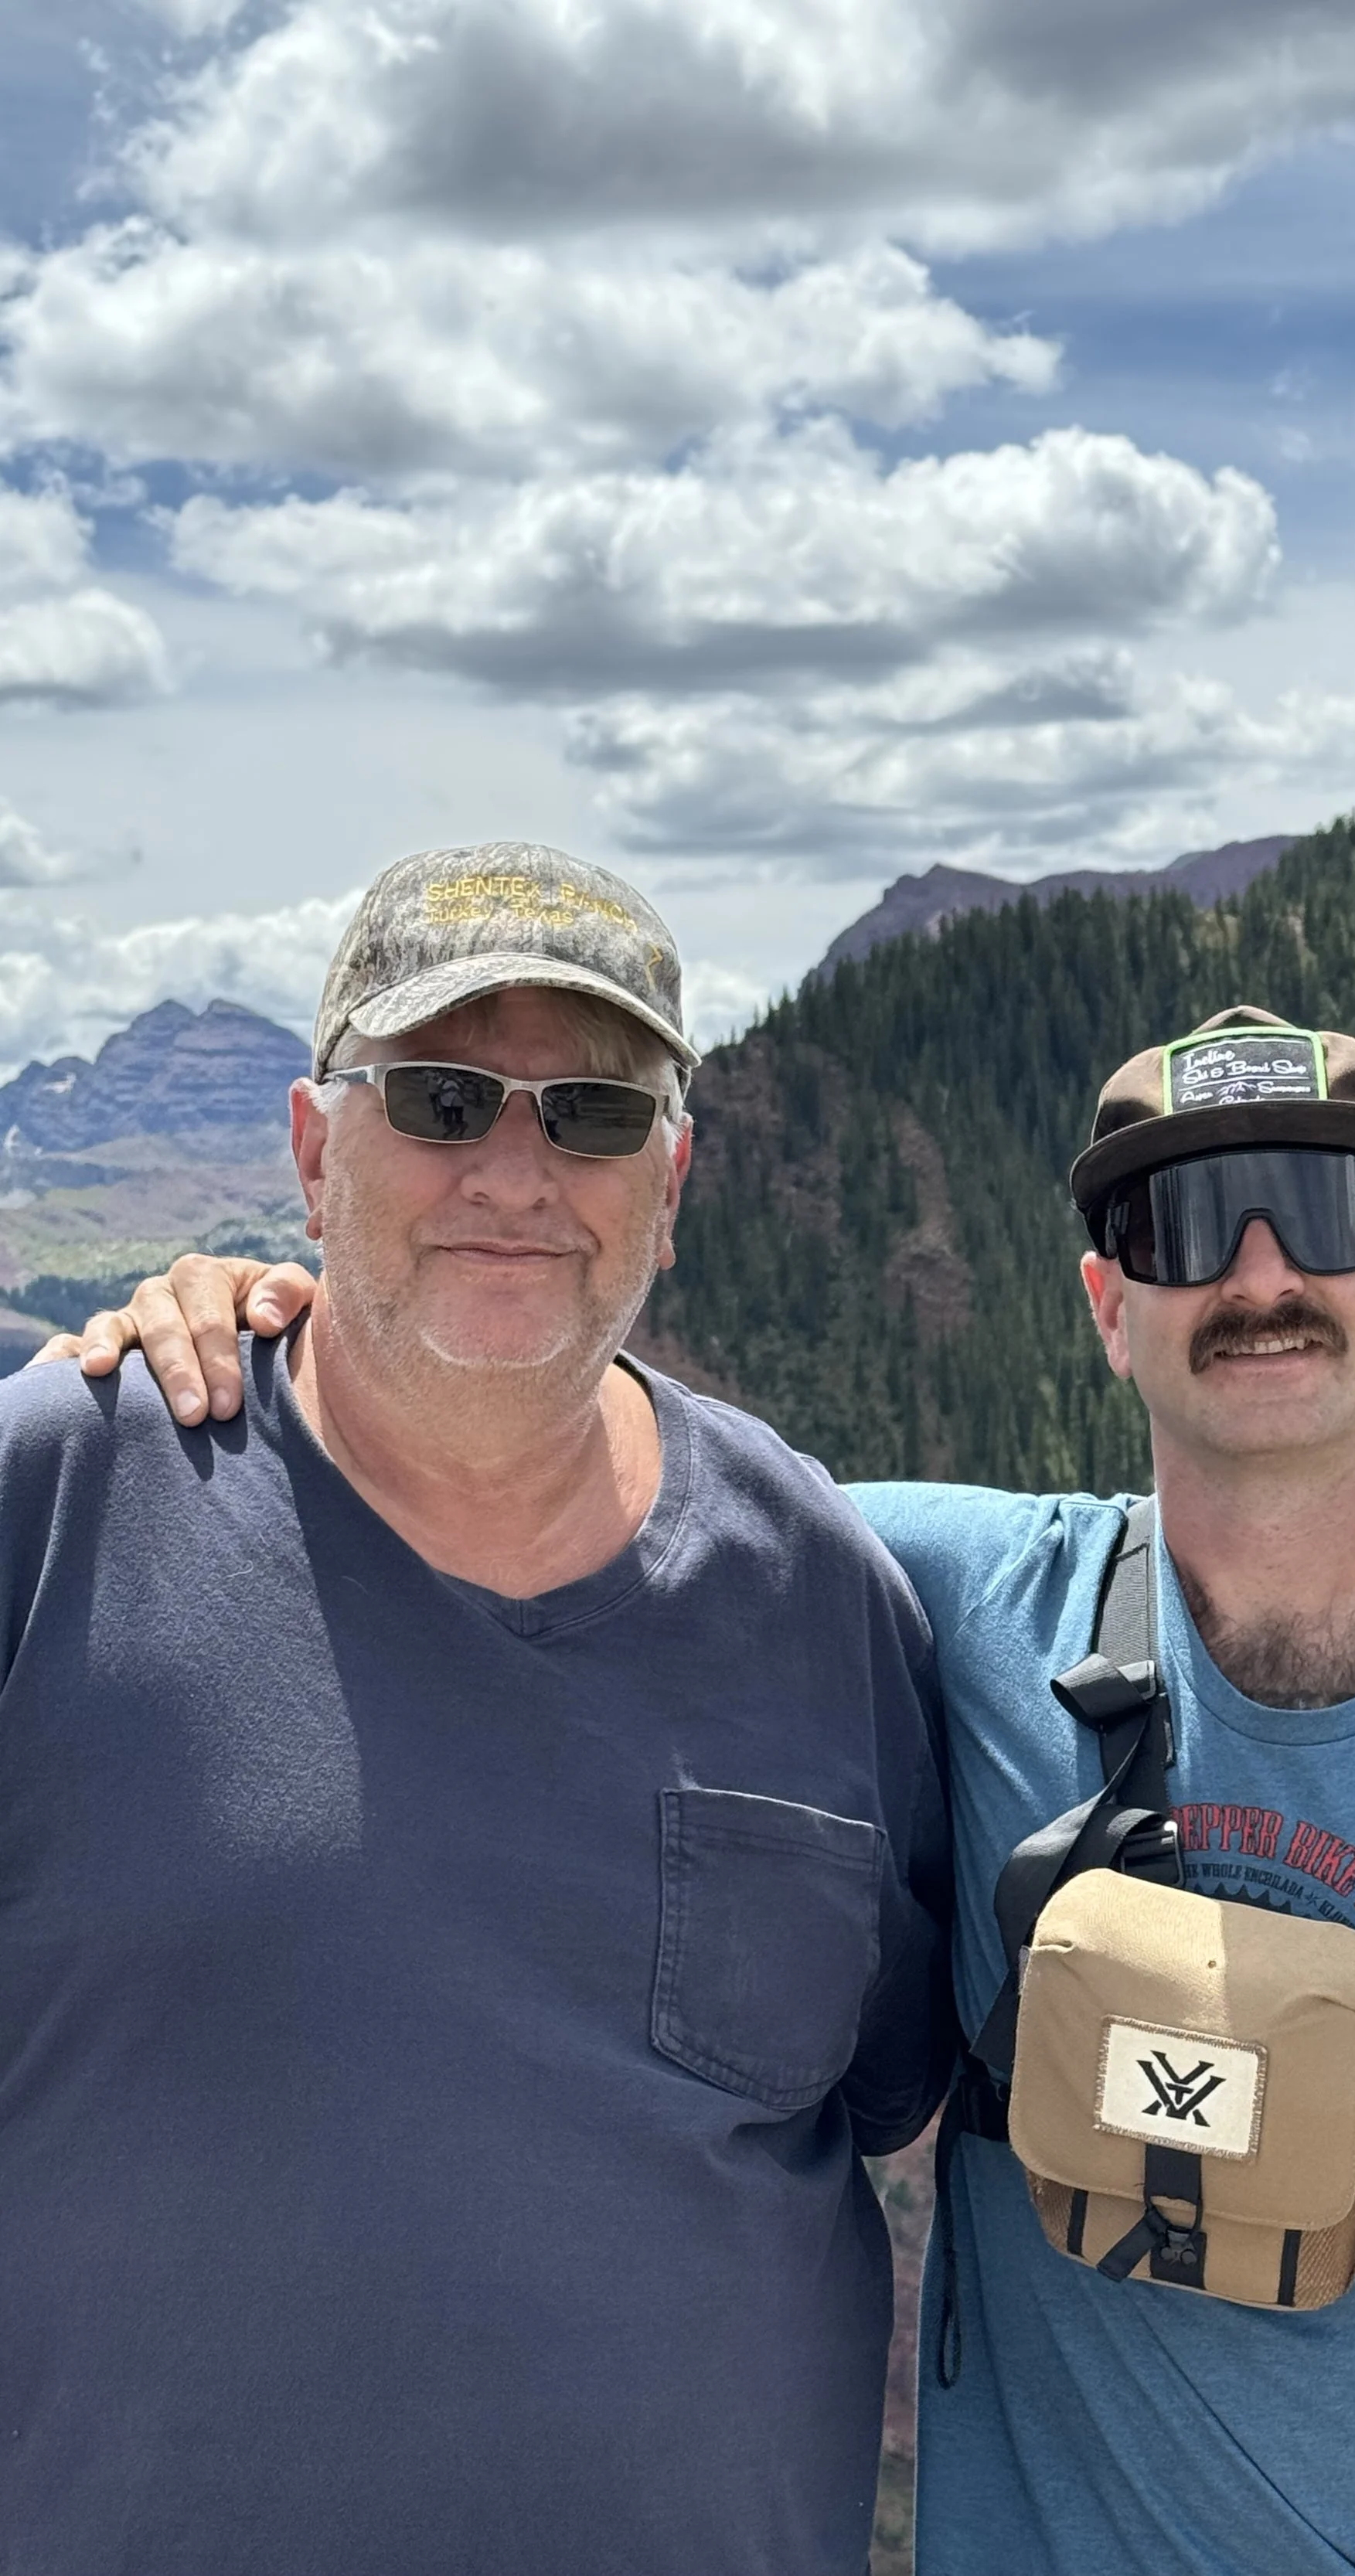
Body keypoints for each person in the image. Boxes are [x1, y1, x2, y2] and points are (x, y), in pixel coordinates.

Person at [66, 1003, 1355, 2574]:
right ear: (1104, 1307)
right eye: (1182, 1221)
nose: (1262, 1271)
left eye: (1336, 1209)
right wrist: (278, 1321)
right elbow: (558, 1455)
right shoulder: (929, 1600)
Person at [5, 841, 952, 2576]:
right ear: (310, 1152)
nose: (515, 1169)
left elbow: (901, 2100)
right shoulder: (60, 1501)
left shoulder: (819, 1589)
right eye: (441, 1098)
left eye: (589, 1115)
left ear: (666, 1184)